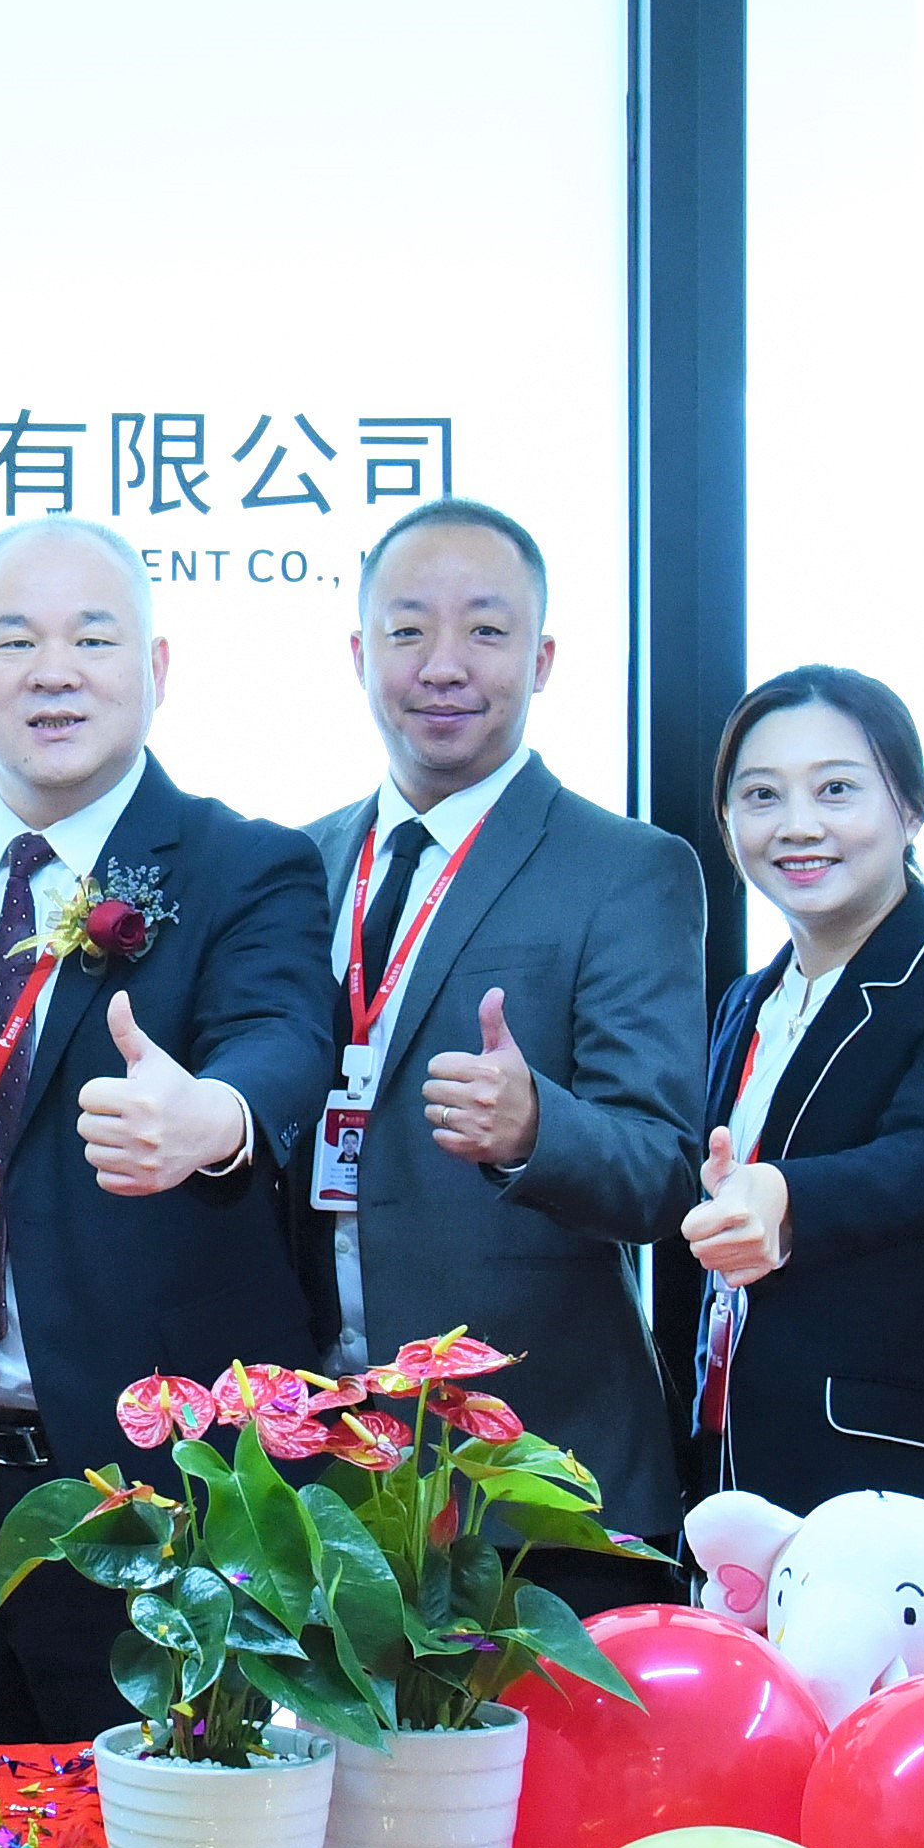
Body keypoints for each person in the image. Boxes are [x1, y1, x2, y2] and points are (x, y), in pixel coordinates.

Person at [0, 516, 336, 1744]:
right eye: (16, 640)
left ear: (157, 667)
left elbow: (284, 1035)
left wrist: (213, 1117)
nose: (53, 671)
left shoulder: (247, 864)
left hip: (163, 1494)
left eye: (93, 638)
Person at [295, 499, 705, 1585]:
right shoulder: (295, 866)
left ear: (543, 658)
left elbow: (666, 1169)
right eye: (408, 629)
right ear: (359, 653)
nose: (443, 664)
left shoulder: (627, 869)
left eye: (485, 629)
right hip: (318, 1485)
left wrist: (536, 1131)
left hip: (534, 1478)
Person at [655, 664, 924, 1522]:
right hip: (738, 1465)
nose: (799, 825)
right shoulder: (746, 1003)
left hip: (909, 1487)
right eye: (761, 796)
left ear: (912, 808)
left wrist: (783, 1194)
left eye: (837, 790)